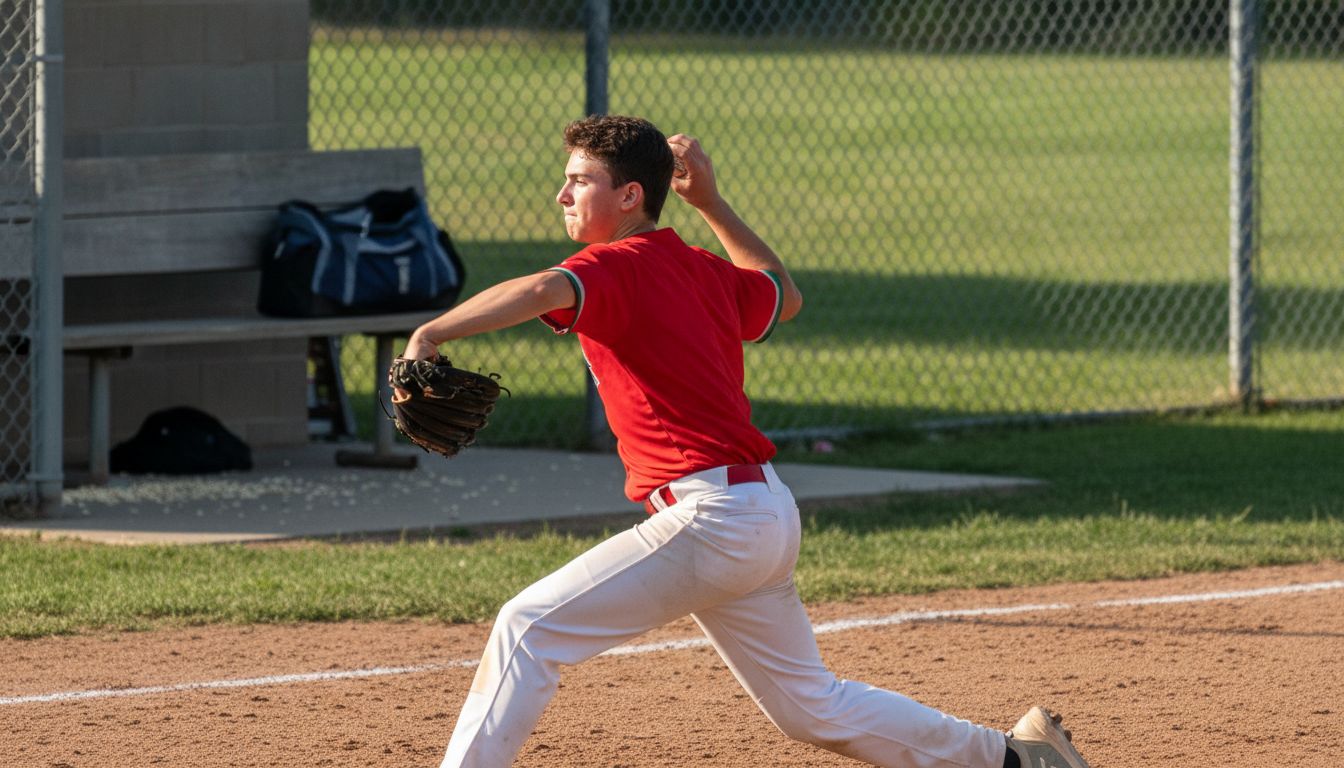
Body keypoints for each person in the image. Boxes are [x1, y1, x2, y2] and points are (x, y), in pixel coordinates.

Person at [400, 115, 1092, 768]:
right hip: (761, 514)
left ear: (631, 194)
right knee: (809, 708)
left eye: (580, 180)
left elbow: (543, 287)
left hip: (715, 520)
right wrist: (713, 203)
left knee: (527, 627)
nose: (562, 193)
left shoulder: (621, 265)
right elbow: (780, 294)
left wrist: (433, 333)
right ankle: (1013, 758)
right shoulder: (699, 268)